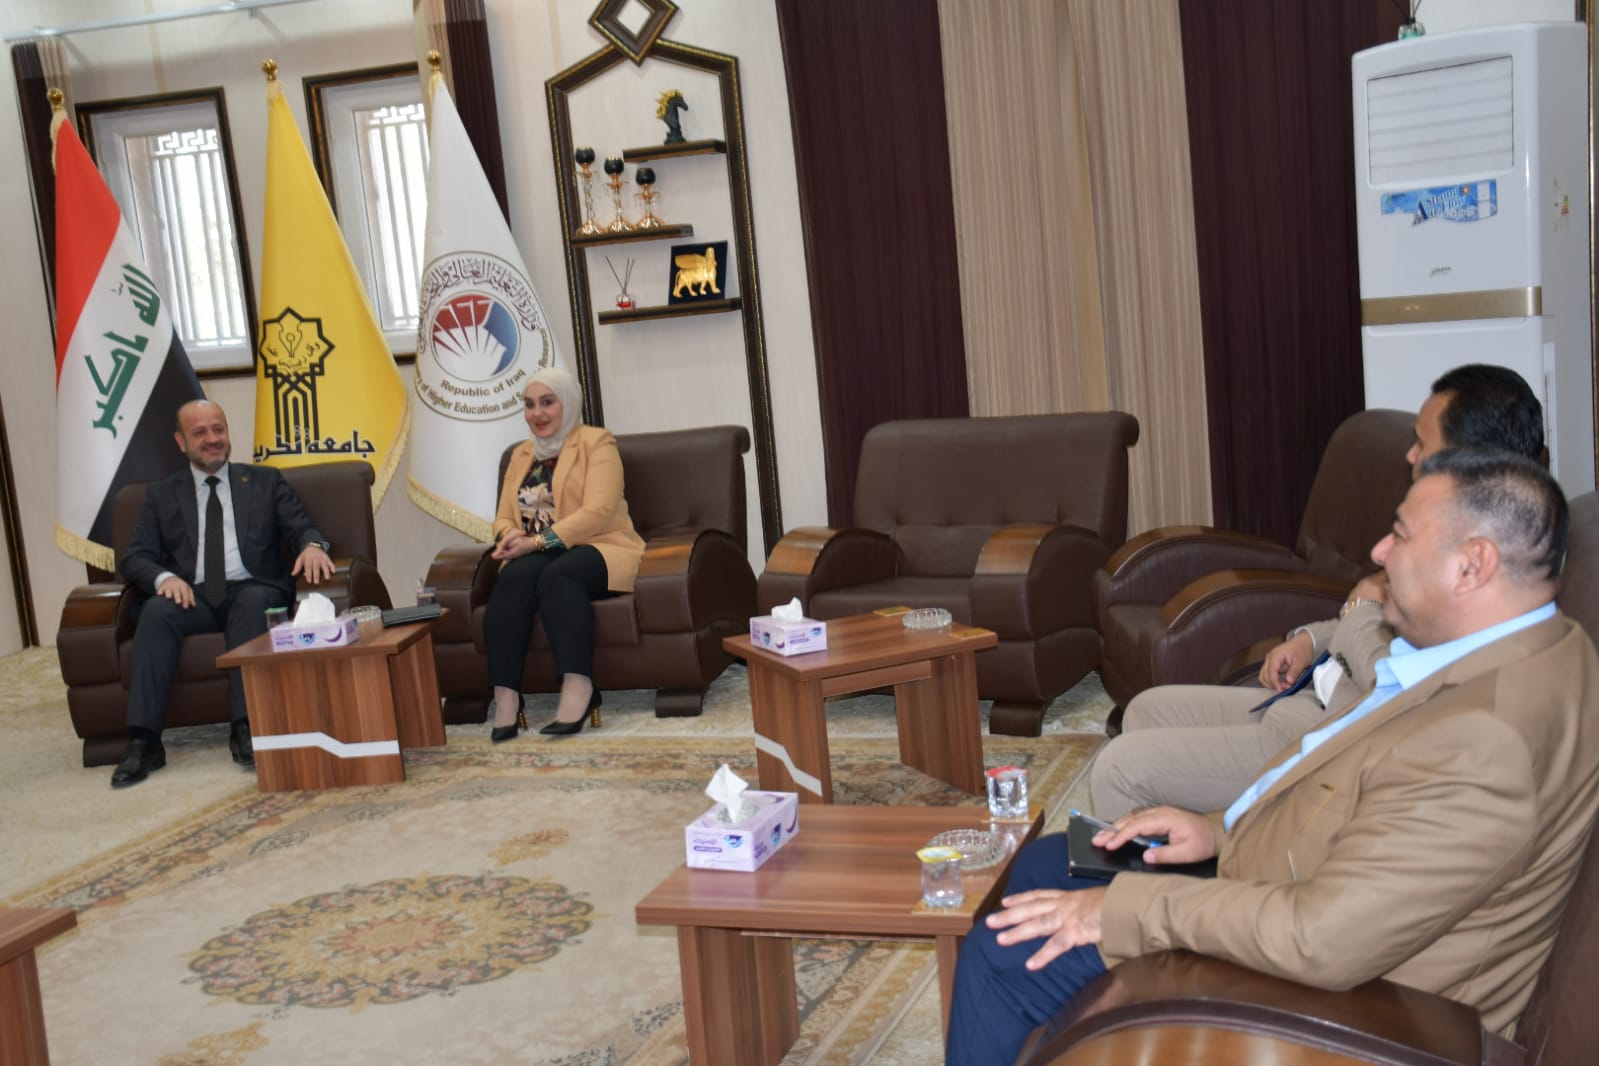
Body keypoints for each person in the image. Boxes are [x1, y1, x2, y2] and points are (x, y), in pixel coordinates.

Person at [947, 449, 1597, 1065]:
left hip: (1362, 1003)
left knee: (1003, 957)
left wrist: (1122, 911)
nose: (1379, 552)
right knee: (1048, 860)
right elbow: (1362, 799)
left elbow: (1320, 940)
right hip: (1302, 888)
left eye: (1400, 535)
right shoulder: (1525, 647)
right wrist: (1218, 831)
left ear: (1472, 565)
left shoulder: (1485, 740)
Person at [1092, 363, 1547, 818]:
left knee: (1119, 768)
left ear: (1468, 460)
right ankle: (1176, 846)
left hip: (1329, 746)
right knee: (1144, 711)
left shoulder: (1480, 573)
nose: (1410, 456)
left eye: (1423, 445)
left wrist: (1361, 607)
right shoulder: (1440, 526)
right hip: (1308, 699)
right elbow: (1375, 615)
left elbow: (1402, 691)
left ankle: (1172, 857)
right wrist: (1312, 639)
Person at [113, 399, 335, 788]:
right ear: (181, 442)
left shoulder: (265, 481)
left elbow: (302, 527)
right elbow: (135, 557)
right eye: (200, 432)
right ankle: (144, 741)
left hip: (252, 587)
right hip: (191, 595)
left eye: (218, 429)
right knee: (156, 612)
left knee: (252, 603)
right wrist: (164, 578)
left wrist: (313, 546)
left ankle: (246, 726)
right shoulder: (161, 494)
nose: (212, 439)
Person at [484, 367, 644, 740]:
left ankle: (579, 687)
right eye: (529, 405)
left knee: (560, 574)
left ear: (568, 403)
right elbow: (503, 516)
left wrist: (538, 542)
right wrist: (509, 535)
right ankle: (506, 696)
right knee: (512, 578)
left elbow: (599, 511)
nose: (537, 413)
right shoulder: (521, 454)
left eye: (547, 402)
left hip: (599, 545)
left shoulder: (596, 442)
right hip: (536, 553)